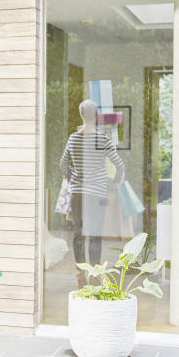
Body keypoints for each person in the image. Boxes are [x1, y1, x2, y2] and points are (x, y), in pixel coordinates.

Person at [59, 99, 125, 287]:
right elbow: (119, 165)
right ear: (96, 116)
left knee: (78, 233)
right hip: (97, 193)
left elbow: (63, 164)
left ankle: (81, 275)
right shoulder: (102, 139)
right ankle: (95, 275)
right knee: (95, 234)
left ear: (81, 115)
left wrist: (73, 174)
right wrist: (113, 181)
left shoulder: (73, 138)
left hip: (77, 193)